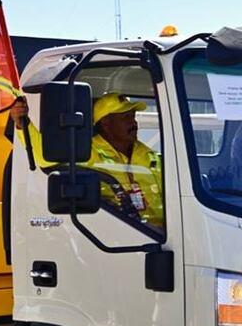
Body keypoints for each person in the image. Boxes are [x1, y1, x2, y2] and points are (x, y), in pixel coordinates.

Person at [10, 93, 164, 231]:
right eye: (125, 118)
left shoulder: (151, 156)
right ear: (106, 123)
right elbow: (46, 158)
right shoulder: (88, 152)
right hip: (127, 234)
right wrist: (23, 124)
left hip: (169, 233)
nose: (133, 123)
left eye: (133, 116)